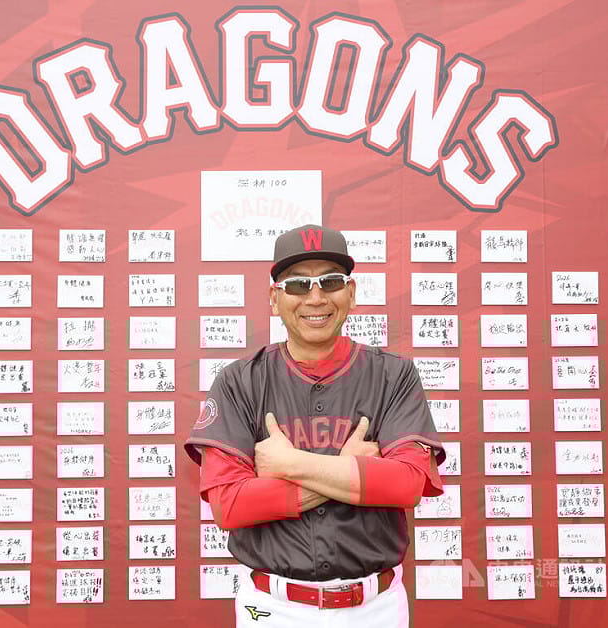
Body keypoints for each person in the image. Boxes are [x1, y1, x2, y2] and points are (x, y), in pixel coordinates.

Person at [185, 224, 446, 627]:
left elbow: (407, 484)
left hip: (375, 607)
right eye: (297, 285)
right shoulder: (240, 381)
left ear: (351, 293)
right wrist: (351, 470)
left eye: (331, 281)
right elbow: (231, 506)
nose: (316, 297)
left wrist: (289, 465)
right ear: (275, 299)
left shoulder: (393, 375)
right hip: (272, 609)